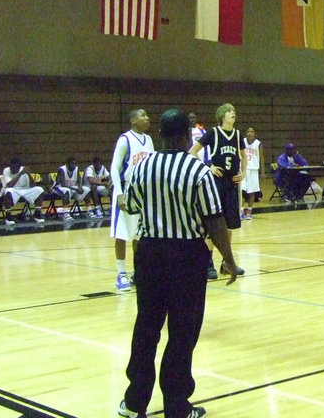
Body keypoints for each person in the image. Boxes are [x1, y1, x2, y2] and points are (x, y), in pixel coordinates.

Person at [117, 108, 239, 418]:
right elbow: (214, 221)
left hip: (149, 255)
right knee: (182, 333)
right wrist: (228, 259)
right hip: (186, 257)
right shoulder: (199, 171)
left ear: (159, 134)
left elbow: (129, 205)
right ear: (187, 136)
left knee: (147, 327)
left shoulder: (143, 168)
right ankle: (176, 407)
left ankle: (134, 403)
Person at [189, 103, 246, 278]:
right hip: (215, 182)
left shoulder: (237, 134)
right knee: (213, 223)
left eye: (234, 111)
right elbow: (192, 151)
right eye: (230, 111)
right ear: (222, 115)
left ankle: (227, 263)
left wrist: (243, 173)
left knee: (229, 225)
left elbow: (244, 156)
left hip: (231, 183)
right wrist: (208, 166)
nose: (233, 113)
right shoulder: (213, 133)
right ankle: (208, 264)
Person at [110, 109, 155, 292]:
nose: (147, 118)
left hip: (143, 191)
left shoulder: (149, 140)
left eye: (147, 115)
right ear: (133, 120)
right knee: (122, 233)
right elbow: (114, 168)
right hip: (126, 188)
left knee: (140, 234)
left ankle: (139, 271)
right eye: (143, 115)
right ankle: (121, 274)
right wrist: (119, 194)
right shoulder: (125, 139)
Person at [1, 158, 45, 223]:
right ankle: (8, 216)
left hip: (25, 190)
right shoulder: (6, 170)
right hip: (13, 190)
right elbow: (10, 185)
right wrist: (20, 173)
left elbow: (33, 185)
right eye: (11, 167)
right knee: (8, 191)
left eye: (14, 168)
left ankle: (37, 213)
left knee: (39, 189)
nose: (12, 169)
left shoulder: (24, 170)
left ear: (19, 167)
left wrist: (29, 174)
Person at [241, 126, 264, 220]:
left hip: (254, 170)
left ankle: (249, 211)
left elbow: (262, 159)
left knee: (251, 192)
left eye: (252, 132)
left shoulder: (258, 144)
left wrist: (262, 172)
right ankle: (241, 211)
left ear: (255, 134)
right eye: (248, 131)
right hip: (243, 169)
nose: (250, 133)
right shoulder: (242, 142)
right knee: (242, 191)